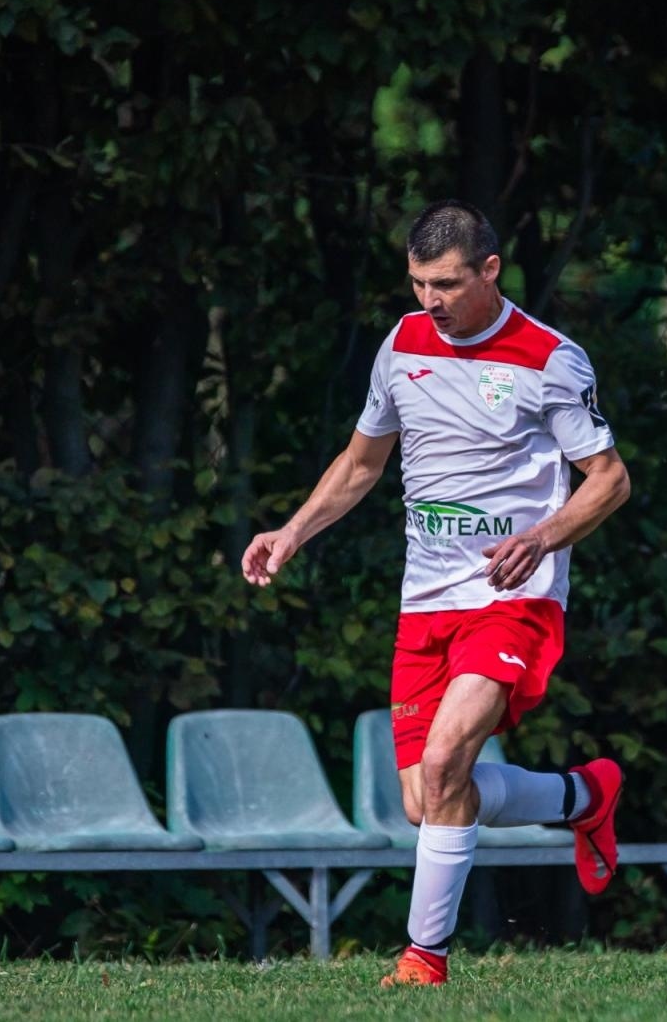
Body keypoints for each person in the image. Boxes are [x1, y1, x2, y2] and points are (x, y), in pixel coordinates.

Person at [241, 200, 631, 986]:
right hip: (426, 602)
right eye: (418, 283)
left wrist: (541, 537)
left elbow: (611, 481)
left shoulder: (551, 358)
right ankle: (584, 793)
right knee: (428, 800)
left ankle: (425, 959)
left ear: (491, 270)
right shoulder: (403, 342)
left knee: (451, 757)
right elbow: (359, 465)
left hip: (509, 594)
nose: (430, 301)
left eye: (447, 283)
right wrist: (291, 531)